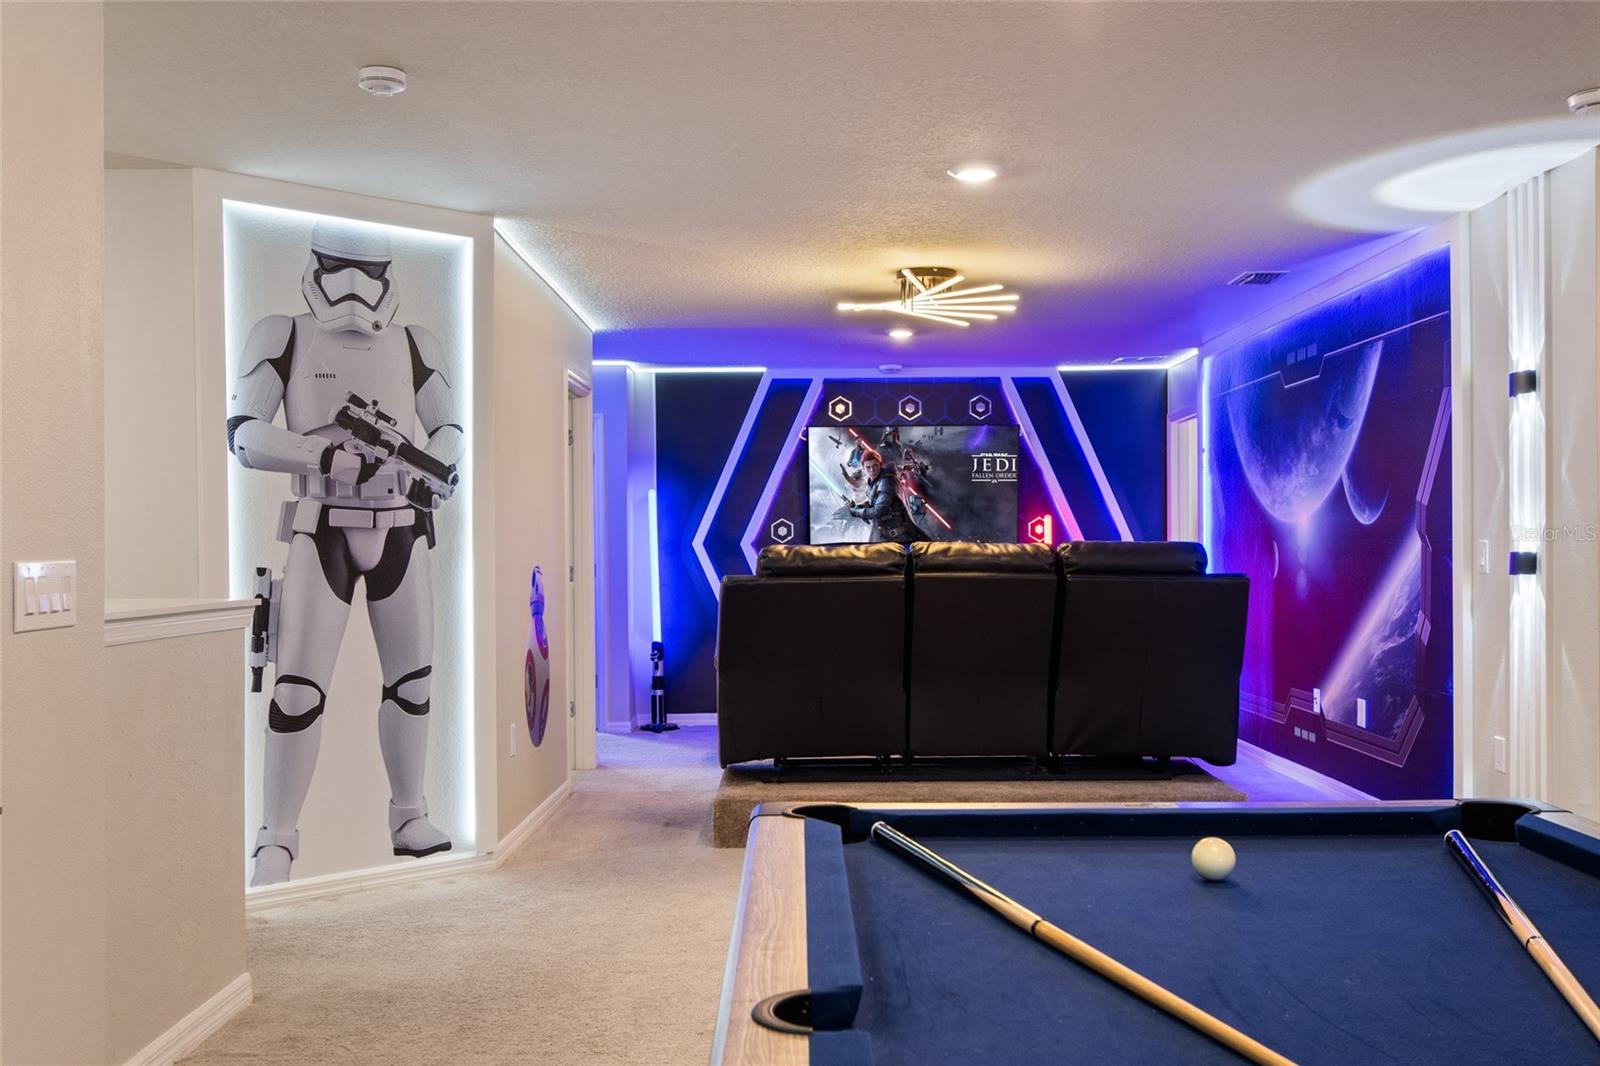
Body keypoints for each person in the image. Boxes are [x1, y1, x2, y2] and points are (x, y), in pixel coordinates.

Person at [226, 221, 462, 886]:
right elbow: (244, 433)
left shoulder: (414, 343)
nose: (355, 287)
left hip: (401, 524)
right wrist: (323, 455)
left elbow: (447, 426)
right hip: (321, 523)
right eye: (338, 267)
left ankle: (410, 814)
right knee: (298, 686)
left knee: (412, 681)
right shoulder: (282, 334)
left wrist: (431, 469)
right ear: (315, 265)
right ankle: (277, 838)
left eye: (370, 272)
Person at [848, 454, 926, 544]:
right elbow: (874, 504)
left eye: (875, 465)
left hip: (898, 538)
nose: (872, 470)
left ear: (880, 465)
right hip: (884, 536)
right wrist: (858, 507)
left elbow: (878, 511)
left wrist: (855, 511)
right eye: (868, 467)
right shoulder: (873, 483)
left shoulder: (886, 482)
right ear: (863, 468)